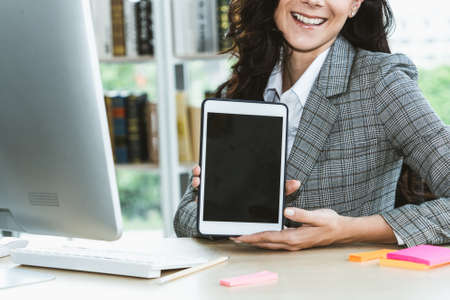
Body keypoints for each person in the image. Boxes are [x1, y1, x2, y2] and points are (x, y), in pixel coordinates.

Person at [174, 0, 450, 250]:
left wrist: (348, 230)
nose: (314, 1)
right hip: (249, 285)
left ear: (355, 5)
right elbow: (185, 215)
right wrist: (226, 205)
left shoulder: (381, 82)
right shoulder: (248, 83)